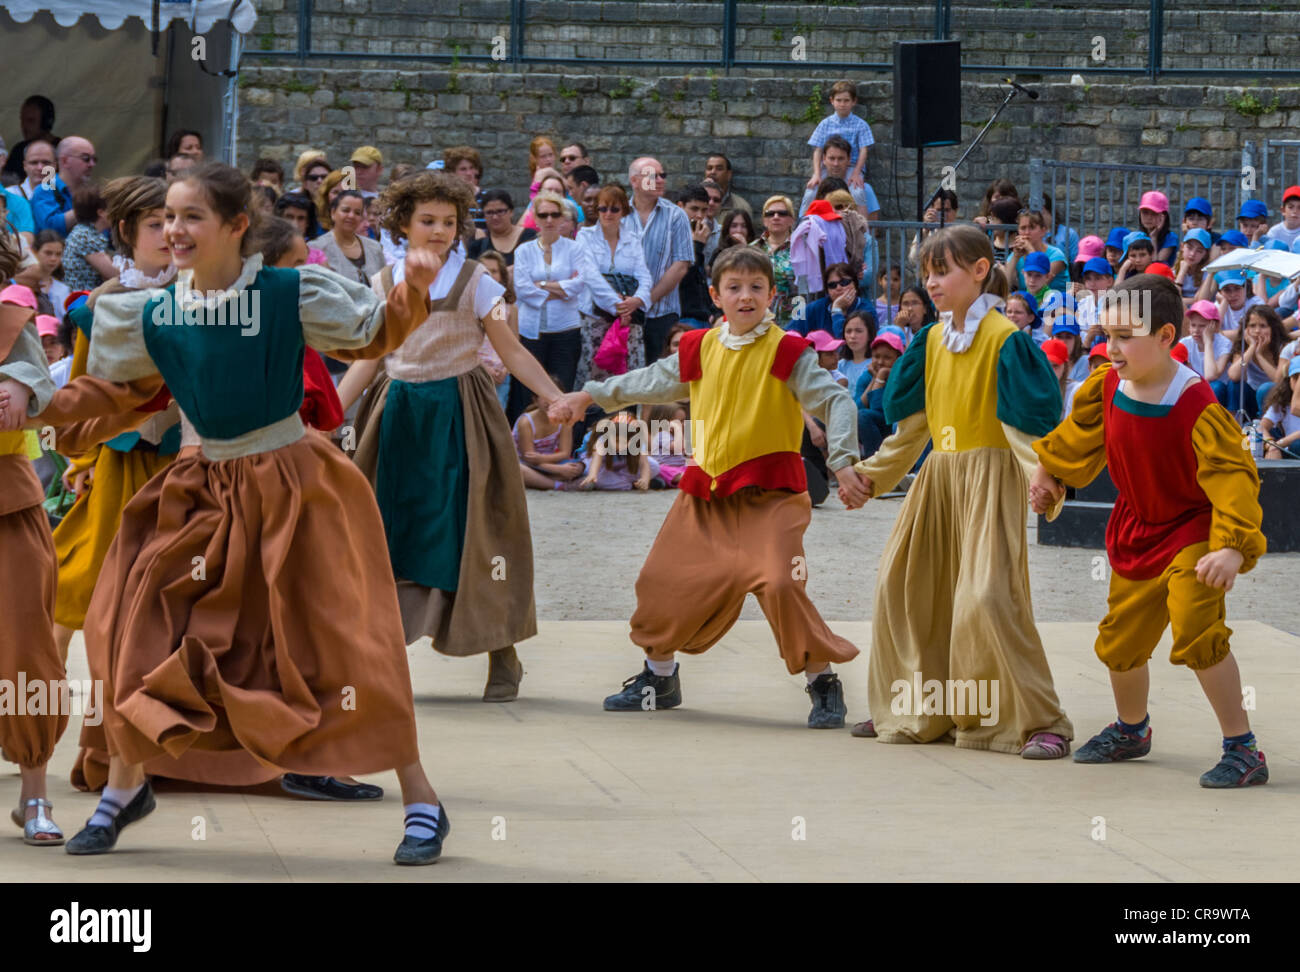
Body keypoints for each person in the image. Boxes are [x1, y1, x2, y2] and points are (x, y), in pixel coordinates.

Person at [5, 162, 457, 863]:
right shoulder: (154, 310)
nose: (174, 230)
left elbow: (370, 335)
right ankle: (124, 789)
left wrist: (416, 286)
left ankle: (422, 799)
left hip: (294, 488)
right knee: (133, 631)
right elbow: (112, 392)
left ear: (235, 226)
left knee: (343, 642)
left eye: (190, 217)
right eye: (167, 218)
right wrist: (35, 403)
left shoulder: (284, 292)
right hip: (197, 488)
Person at [549, 246, 865, 727]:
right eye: (734, 288)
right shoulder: (699, 347)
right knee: (659, 580)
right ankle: (660, 677)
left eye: (756, 287)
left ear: (772, 295)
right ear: (716, 295)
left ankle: (822, 681)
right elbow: (648, 380)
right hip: (705, 493)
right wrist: (587, 395)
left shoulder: (787, 350)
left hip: (771, 496)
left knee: (781, 582)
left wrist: (842, 461)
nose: (746, 296)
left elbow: (838, 401)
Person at [337, 171, 572, 703]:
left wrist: (551, 395)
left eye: (448, 222)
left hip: (461, 414)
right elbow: (371, 356)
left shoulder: (477, 282)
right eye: (428, 221)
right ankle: (379, 652)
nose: (439, 231)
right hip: (397, 414)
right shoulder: (382, 283)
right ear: (403, 223)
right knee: (386, 526)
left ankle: (501, 650)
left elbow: (509, 350)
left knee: (476, 530)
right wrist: (332, 412)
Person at [1031, 274, 1268, 787]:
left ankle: (1243, 748)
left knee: (1196, 628)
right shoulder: (1108, 385)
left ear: (1165, 337)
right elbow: (1076, 437)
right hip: (1136, 529)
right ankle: (1132, 730)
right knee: (1120, 641)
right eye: (1107, 335)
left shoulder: (1196, 404)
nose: (1111, 349)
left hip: (1194, 532)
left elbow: (1235, 480)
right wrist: (1049, 473)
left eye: (1124, 336)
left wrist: (1231, 548)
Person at [851, 224, 1073, 755]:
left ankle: (1038, 720)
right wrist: (873, 476)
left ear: (979, 271)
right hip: (939, 482)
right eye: (926, 272)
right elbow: (914, 428)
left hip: (990, 480)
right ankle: (918, 709)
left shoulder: (1005, 340)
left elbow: (1024, 427)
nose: (931, 282)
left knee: (988, 598)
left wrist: (1042, 478)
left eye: (942, 270)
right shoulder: (930, 340)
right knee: (902, 586)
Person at [0, 239, 69, 847]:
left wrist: (25, 389)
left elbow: (41, 387)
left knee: (28, 649)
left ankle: (35, 794)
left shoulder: (10, 314)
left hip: (7, 504)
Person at [507, 194, 592, 420]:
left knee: (562, 390)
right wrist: (560, 289)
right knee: (528, 392)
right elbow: (523, 289)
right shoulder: (523, 250)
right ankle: (524, 443)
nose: (549, 220)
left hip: (565, 329)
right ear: (535, 218)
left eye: (554, 214)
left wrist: (542, 285)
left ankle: (561, 443)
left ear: (563, 218)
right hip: (530, 331)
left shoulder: (575, 249)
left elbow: (579, 285)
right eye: (543, 215)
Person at [575, 184, 652, 388]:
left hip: (628, 320)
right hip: (596, 319)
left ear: (623, 211)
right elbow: (590, 275)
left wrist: (637, 300)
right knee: (593, 381)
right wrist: (617, 305)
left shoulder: (634, 239)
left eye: (614, 209)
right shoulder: (584, 236)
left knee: (627, 380)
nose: (608, 214)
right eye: (603, 208)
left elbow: (644, 275)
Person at [626, 156, 693, 364]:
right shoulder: (619, 215)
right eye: (653, 176)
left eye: (663, 175)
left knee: (660, 381)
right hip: (623, 314)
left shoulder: (676, 215)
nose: (661, 180)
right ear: (635, 181)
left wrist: (644, 300)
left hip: (662, 313)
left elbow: (681, 265)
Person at [806, 81, 873, 195]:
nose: (842, 104)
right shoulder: (825, 124)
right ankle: (804, 214)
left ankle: (860, 214)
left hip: (852, 166)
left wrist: (856, 172)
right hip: (828, 166)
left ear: (854, 101)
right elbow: (818, 150)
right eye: (838, 100)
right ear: (832, 101)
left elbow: (863, 150)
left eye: (846, 100)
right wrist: (816, 174)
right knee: (811, 191)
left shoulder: (861, 125)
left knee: (857, 192)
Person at [1224, 304, 1287, 420]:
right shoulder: (1243, 345)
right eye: (1252, 326)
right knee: (1234, 385)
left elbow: (1279, 380)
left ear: (1273, 328)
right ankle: (1234, 424)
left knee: (1265, 388)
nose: (1257, 331)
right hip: (1251, 395)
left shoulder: (1282, 347)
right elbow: (1233, 375)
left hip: (1274, 397)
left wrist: (1259, 355)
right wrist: (1251, 348)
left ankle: (1263, 427)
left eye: (1263, 326)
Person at [515, 385, 583, 490]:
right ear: (535, 400)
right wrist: (558, 469)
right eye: (544, 398)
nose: (549, 402)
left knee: (578, 467)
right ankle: (559, 485)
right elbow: (528, 458)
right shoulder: (526, 422)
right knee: (517, 469)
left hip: (549, 461)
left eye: (553, 398)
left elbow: (565, 453)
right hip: (527, 464)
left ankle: (538, 481)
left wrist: (545, 460)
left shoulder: (564, 418)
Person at [312, 190, 385, 285]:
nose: (351, 216)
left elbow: (383, 287)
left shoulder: (375, 248)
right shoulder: (317, 248)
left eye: (357, 213)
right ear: (333, 213)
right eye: (345, 210)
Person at [799, 134, 880, 220]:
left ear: (849, 159)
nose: (836, 164)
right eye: (831, 158)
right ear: (824, 159)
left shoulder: (865, 189)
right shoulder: (813, 187)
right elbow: (802, 217)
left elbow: (872, 225)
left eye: (841, 159)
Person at [30, 135, 97, 238]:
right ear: (65, 161)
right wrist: (86, 208)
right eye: (86, 159)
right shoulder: (46, 188)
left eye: (94, 159)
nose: (92, 164)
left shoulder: (91, 191)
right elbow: (50, 227)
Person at [750, 194, 797, 327]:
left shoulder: (801, 249)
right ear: (764, 220)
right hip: (758, 319)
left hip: (790, 321)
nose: (776, 217)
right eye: (770, 214)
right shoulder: (753, 249)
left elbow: (803, 290)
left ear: (791, 220)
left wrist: (799, 323)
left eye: (782, 213)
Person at [675, 184, 718, 329]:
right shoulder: (670, 236)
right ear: (680, 207)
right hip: (683, 317)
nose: (699, 216)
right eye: (694, 209)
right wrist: (697, 246)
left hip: (703, 317)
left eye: (704, 210)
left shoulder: (696, 235)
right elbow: (683, 276)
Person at [793, 262, 873, 338]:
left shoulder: (867, 309)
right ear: (827, 290)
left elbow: (846, 344)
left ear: (855, 284)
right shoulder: (814, 308)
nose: (838, 288)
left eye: (844, 283)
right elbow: (790, 333)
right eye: (832, 285)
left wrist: (836, 311)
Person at [61, 183, 117, 291]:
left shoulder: (85, 232)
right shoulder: (85, 237)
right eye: (112, 208)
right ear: (101, 212)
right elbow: (114, 273)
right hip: (83, 299)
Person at [1006, 208, 1068, 293]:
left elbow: (1041, 285)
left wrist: (1030, 250)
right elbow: (1005, 286)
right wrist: (1015, 257)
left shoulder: (1056, 255)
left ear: (1043, 231)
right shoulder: (1017, 254)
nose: (1027, 232)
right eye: (1023, 228)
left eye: (1032, 227)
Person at [467, 189, 535, 266]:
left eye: (500, 211)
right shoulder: (477, 247)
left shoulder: (531, 238)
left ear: (511, 212)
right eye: (489, 213)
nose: (495, 217)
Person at [1, 95, 57, 183]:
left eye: (31, 121)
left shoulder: (61, 149)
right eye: (22, 120)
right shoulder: (19, 150)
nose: (24, 126)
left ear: (46, 122)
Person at [1259, 357, 1300, 459]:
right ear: (1288, 380)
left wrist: (1278, 445)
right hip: (1286, 449)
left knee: (1297, 444)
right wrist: (1269, 443)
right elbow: (1261, 427)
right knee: (1250, 427)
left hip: (1293, 447)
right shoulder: (1282, 401)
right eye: (1295, 377)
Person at [444, 145, 486, 232]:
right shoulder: (447, 198)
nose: (469, 173)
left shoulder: (488, 197)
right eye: (463, 169)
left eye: (472, 168)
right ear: (452, 173)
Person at [646, 401, 688, 487]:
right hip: (666, 467)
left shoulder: (676, 435)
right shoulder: (662, 435)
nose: (684, 424)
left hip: (679, 467)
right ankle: (683, 479)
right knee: (661, 469)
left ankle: (683, 479)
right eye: (680, 421)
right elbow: (677, 447)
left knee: (693, 467)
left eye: (684, 420)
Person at [704, 152, 751, 224]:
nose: (713, 172)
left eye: (719, 169)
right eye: (709, 168)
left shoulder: (741, 206)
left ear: (729, 174)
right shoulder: (692, 202)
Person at [1136, 190, 1178, 263]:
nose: (1149, 217)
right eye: (1145, 212)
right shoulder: (1137, 237)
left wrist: (1154, 238)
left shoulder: (1171, 238)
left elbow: (1156, 264)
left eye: (1154, 213)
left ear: (1163, 217)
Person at [13, 137, 56, 203]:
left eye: (46, 162)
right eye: (34, 163)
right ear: (25, 166)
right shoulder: (11, 195)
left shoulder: (67, 191)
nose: (40, 168)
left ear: (55, 165)